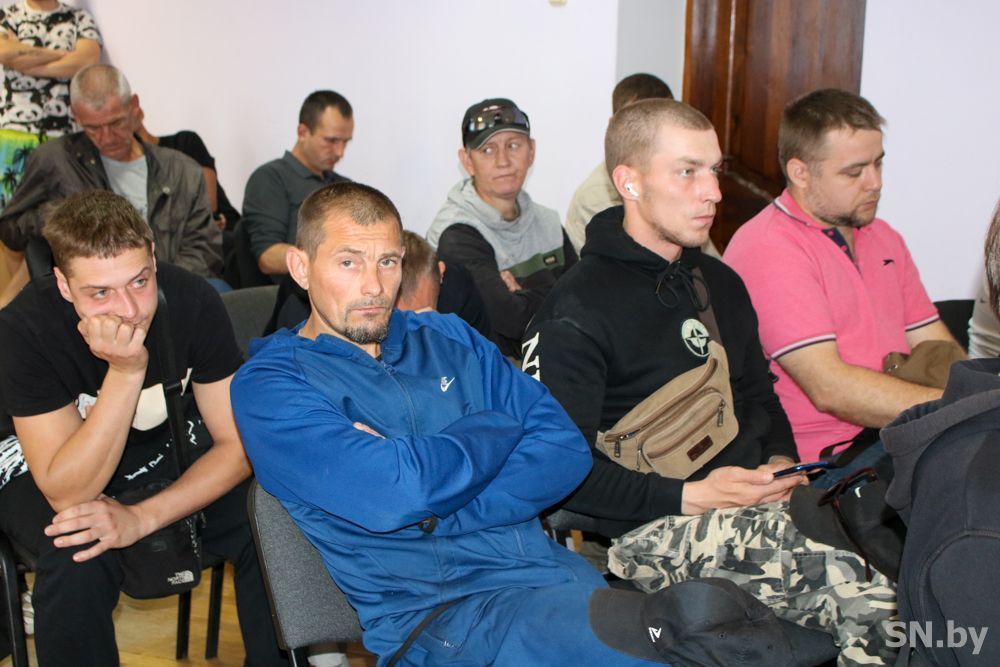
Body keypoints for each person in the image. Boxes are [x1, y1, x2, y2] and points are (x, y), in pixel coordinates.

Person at [230, 181, 832, 666]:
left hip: (551, 579)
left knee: (738, 628)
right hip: (444, 620)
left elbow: (564, 449)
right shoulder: (272, 386)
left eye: (387, 261)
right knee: (673, 645)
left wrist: (440, 502)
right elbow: (396, 492)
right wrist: (496, 427)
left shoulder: (447, 336)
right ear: (300, 268)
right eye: (348, 262)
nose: (373, 285)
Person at [523, 98, 896, 666]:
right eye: (687, 171)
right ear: (629, 182)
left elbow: (759, 395)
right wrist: (691, 495)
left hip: (757, 501)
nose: (714, 192)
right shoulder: (573, 312)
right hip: (656, 525)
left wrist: (779, 463)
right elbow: (557, 475)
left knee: (907, 547)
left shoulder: (718, 282)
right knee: (878, 603)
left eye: (714, 170)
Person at [0, 190, 286, 666]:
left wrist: (142, 518)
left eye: (139, 281)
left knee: (269, 512)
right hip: (46, 468)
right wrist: (126, 372)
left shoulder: (191, 299)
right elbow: (68, 491)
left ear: (153, 257)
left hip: (159, 451)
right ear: (64, 284)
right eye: (100, 293)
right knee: (77, 546)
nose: (129, 309)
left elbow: (237, 447)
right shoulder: (24, 329)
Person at [724, 88, 959, 473]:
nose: (875, 182)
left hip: (894, 435)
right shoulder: (769, 246)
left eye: (878, 164)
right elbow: (831, 390)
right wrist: (957, 408)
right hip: (826, 462)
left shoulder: (882, 236)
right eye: (854, 172)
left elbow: (936, 347)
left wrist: (975, 399)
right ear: (800, 173)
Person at [0, 63, 223, 301]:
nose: (107, 137)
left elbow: (205, 249)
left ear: (134, 106)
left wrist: (153, 288)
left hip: (172, 292)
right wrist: (59, 216)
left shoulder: (180, 170)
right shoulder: (55, 159)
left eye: (116, 123)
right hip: (96, 296)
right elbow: (10, 229)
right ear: (76, 116)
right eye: (93, 128)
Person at [426, 98, 576, 358]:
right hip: (491, 374)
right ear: (467, 161)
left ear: (532, 151)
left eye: (514, 145)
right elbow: (513, 322)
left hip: (556, 361)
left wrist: (524, 294)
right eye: (487, 150)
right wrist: (554, 293)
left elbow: (587, 302)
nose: (503, 161)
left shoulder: (548, 222)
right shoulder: (456, 234)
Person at [242, 89, 352, 278]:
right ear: (302, 132)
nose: (340, 152)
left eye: (345, 142)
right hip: (295, 289)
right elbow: (268, 256)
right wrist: (331, 259)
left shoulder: (344, 185)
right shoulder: (271, 178)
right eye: (331, 141)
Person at [0, 0, 101, 138]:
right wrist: (58, 54)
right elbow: (3, 52)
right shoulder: (7, 15)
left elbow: (86, 61)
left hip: (63, 131)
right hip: (13, 128)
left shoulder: (79, 17)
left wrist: (27, 66)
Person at [396, 230, 491, 338]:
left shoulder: (458, 287)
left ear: (441, 274)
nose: (418, 324)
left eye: (427, 314)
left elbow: (482, 344)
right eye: (407, 318)